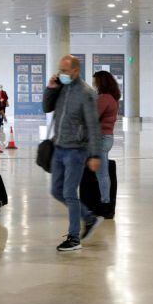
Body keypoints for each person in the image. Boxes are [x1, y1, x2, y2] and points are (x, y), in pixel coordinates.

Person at [43, 55, 102, 251]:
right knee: (56, 191)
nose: (61, 74)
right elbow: (46, 107)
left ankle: (74, 237)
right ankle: (89, 217)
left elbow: (93, 126)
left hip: (76, 150)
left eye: (65, 71)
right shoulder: (62, 87)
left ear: (76, 71)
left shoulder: (86, 93)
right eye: (60, 70)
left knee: (69, 192)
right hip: (58, 147)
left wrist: (95, 155)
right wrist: (51, 88)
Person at [93, 70, 120, 218]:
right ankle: (103, 202)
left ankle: (105, 204)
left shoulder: (104, 98)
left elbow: (93, 117)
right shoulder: (112, 98)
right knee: (102, 173)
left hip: (101, 138)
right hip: (107, 137)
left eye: (95, 81)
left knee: (102, 174)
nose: (94, 84)